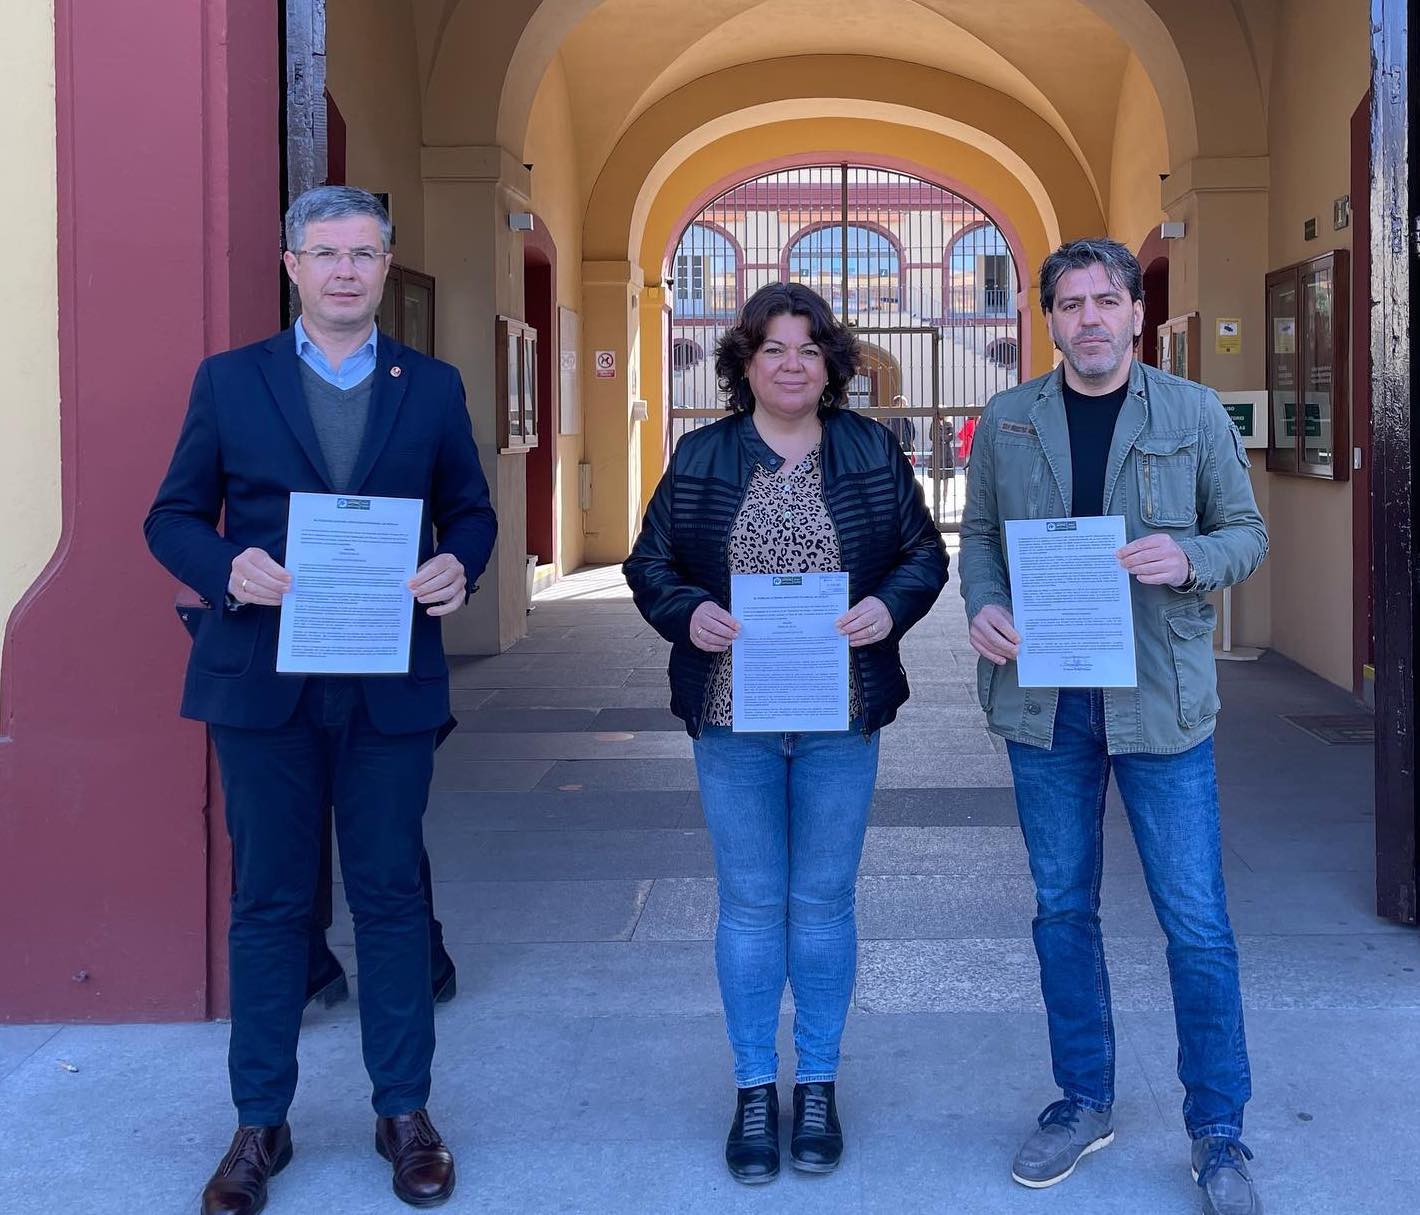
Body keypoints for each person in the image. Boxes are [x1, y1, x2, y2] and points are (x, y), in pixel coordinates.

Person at [145, 185, 496, 1214]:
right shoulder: (230, 380)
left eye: (364, 253)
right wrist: (226, 567)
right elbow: (171, 518)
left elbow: (471, 511)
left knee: (390, 896)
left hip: (389, 685)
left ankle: (404, 1113)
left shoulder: (429, 387)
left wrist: (458, 564)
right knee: (268, 902)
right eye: (326, 253)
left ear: (386, 267)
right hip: (262, 683)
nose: (346, 270)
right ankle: (259, 1122)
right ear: (292, 265)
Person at [959, 238, 1268, 1215]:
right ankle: (1082, 1100)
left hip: (1159, 700)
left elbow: (1245, 533)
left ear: (1137, 312)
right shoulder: (1009, 420)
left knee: (1196, 923)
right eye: (1070, 303)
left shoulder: (1191, 412)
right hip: (1045, 702)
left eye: (1105, 300)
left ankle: (1218, 1130)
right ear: (1048, 318)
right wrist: (982, 602)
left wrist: (1190, 558)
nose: (1088, 317)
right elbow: (979, 538)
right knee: (1062, 909)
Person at [624, 281, 947, 1185]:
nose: (793, 365)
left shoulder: (870, 449)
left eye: (809, 349)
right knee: (752, 902)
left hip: (842, 713)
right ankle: (754, 1087)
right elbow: (649, 562)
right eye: (774, 349)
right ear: (746, 362)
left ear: (830, 363)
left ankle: (819, 1084)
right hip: (734, 719)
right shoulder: (702, 455)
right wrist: (687, 611)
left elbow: (925, 553)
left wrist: (890, 607)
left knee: (826, 900)